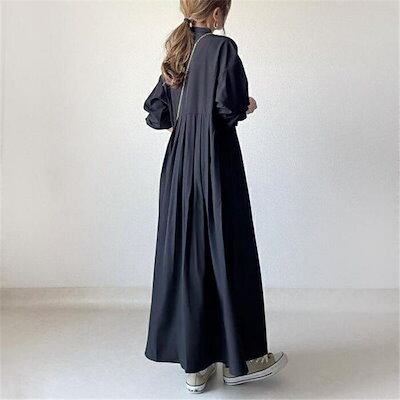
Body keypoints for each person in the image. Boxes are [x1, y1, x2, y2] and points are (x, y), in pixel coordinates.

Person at [143, 0, 288, 393]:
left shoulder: (179, 50)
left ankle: (196, 364)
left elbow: (157, 113)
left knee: (188, 254)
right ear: (218, 12)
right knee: (228, 248)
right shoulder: (221, 47)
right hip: (214, 160)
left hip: (178, 167)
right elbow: (229, 107)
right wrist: (247, 104)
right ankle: (244, 360)